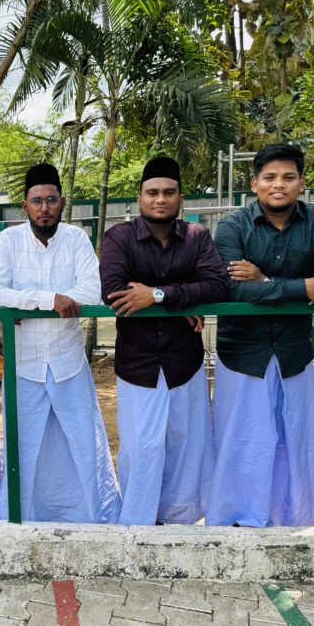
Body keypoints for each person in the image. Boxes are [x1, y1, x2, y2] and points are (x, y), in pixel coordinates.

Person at [207, 143, 314, 527]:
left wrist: (264, 280)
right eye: (269, 177)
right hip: (242, 354)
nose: (278, 185)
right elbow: (231, 290)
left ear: (302, 182)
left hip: (296, 352)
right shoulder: (233, 226)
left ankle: (296, 519)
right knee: (242, 442)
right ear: (254, 184)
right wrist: (302, 287)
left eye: (288, 177)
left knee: (299, 440)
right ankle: (237, 519)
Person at [0, 163, 119, 523]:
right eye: (37, 201)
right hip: (24, 364)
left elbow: (91, 292)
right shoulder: (10, 241)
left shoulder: (76, 239)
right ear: (25, 206)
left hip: (68, 361)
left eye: (51, 200)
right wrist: (49, 300)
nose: (44, 208)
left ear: (62, 203)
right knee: (22, 447)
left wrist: (23, 301)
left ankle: (95, 519)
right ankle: (18, 519)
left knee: (84, 444)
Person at [100, 157, 230, 526]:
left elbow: (217, 285)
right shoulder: (119, 237)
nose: (161, 199)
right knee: (142, 446)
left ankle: (179, 520)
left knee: (185, 442)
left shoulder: (197, 236)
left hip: (182, 359)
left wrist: (159, 296)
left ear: (180, 198)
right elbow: (114, 290)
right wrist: (183, 298)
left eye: (168, 192)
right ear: (139, 197)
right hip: (137, 361)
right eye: (152, 192)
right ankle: (139, 520)